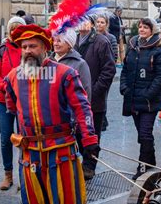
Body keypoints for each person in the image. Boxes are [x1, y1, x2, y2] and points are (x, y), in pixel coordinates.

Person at [5, 24, 99, 204]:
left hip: (61, 148)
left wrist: (89, 139)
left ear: (45, 47)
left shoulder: (66, 74)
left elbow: (82, 107)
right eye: (24, 47)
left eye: (33, 46)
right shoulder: (13, 77)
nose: (27, 50)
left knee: (68, 199)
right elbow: (11, 106)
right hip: (30, 151)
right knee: (37, 200)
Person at [120, 18, 161, 180]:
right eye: (140, 27)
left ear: (152, 30)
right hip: (133, 99)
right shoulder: (133, 45)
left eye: (145, 27)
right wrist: (124, 88)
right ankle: (152, 164)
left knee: (145, 134)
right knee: (143, 136)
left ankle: (142, 167)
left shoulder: (159, 48)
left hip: (149, 101)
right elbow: (125, 69)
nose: (141, 29)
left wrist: (149, 93)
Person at [0, 16, 26, 190]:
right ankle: (8, 175)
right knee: (5, 138)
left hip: (24, 101)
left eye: (19, 28)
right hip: (3, 100)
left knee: (24, 138)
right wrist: (6, 86)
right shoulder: (1, 50)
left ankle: (24, 176)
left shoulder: (28, 49)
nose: (15, 31)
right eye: (13, 28)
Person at [75, 18, 115, 179]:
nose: (82, 24)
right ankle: (82, 161)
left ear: (91, 24)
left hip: (94, 99)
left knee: (92, 134)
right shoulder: (73, 40)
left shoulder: (101, 42)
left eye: (85, 21)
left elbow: (109, 70)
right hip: (75, 98)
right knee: (77, 133)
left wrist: (94, 91)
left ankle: (89, 166)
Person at [51, 28, 92, 101]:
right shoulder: (47, 61)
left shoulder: (80, 64)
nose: (55, 43)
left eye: (59, 41)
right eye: (54, 40)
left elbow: (85, 92)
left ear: (69, 45)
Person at [95, 14, 118, 132]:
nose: (99, 24)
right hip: (93, 73)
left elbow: (114, 56)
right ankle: (102, 119)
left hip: (105, 73)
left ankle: (102, 119)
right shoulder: (92, 37)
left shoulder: (111, 38)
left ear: (107, 24)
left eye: (102, 22)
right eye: (98, 22)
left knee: (103, 95)